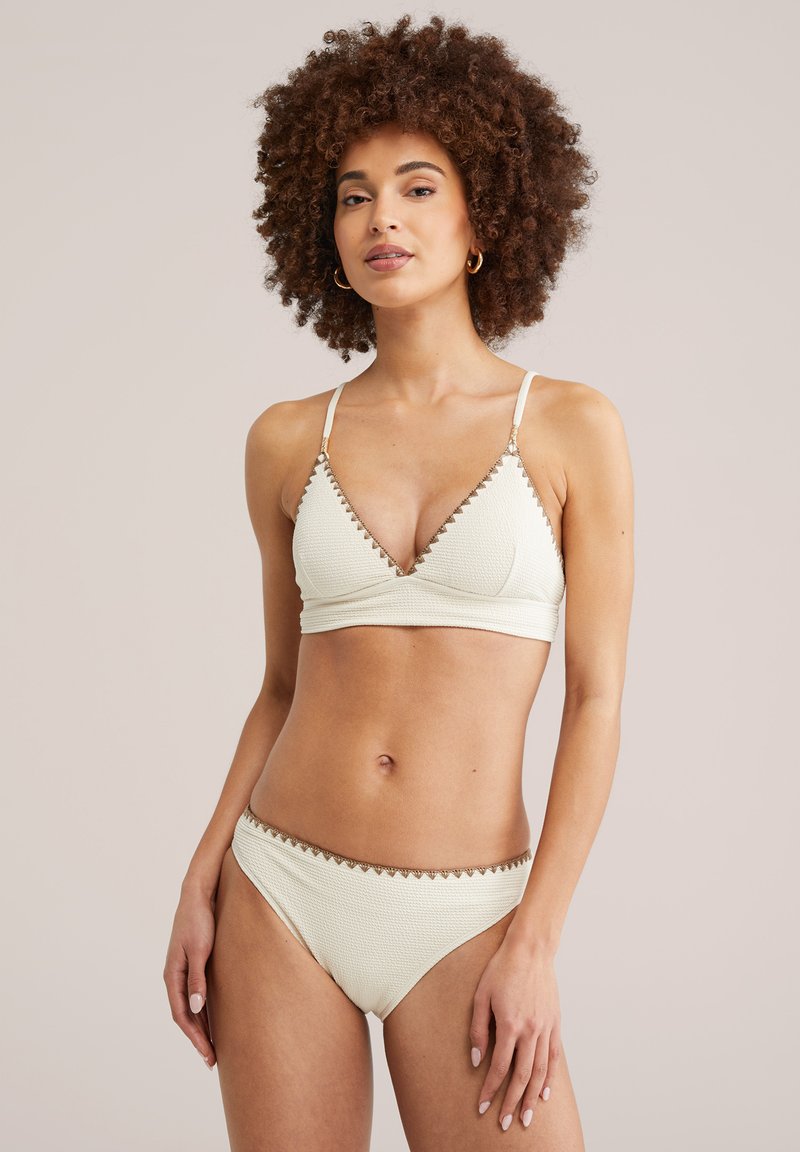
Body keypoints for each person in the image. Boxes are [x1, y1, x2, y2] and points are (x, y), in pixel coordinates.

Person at [163, 13, 634, 1151]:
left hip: (469, 912)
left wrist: (534, 942)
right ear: (320, 231)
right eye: (353, 195)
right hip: (277, 891)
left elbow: (595, 700)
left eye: (419, 188)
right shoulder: (286, 440)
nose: (382, 217)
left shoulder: (570, 426)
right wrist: (200, 875)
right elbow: (282, 687)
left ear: (484, 217)